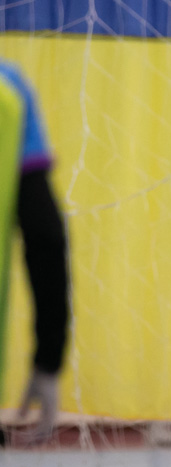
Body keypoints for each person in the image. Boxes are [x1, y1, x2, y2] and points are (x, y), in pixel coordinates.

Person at [0, 60, 69, 444]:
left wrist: (48, 357)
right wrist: (48, 359)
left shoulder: (9, 92)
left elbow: (46, 238)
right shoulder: (8, 89)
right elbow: (47, 238)